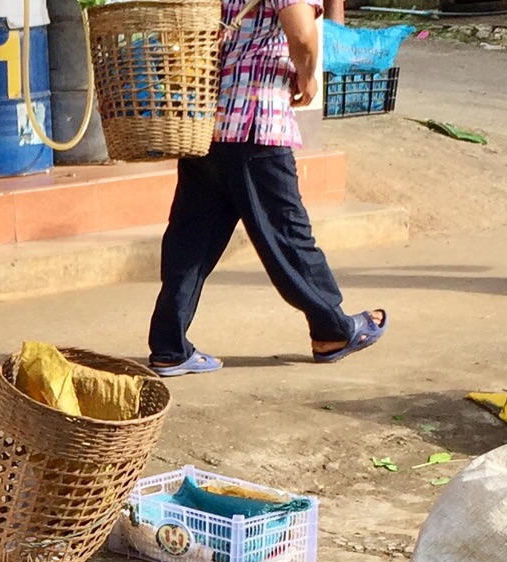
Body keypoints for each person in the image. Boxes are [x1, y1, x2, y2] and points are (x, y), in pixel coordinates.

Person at [146, 0, 385, 376]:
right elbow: (301, 33)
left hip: (205, 121)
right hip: (256, 122)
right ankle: (333, 331)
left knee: (190, 241)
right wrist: (307, 75)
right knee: (288, 234)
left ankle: (168, 347)